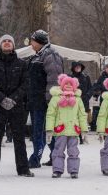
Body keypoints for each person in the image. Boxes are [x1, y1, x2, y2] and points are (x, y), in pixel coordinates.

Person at [0, 34, 34, 178]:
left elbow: (25, 84)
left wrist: (13, 99)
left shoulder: (22, 64)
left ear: (13, 45)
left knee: (19, 139)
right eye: (4, 41)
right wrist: (2, 99)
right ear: (0, 45)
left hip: (16, 106)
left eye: (9, 41)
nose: (6, 43)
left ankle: (23, 169)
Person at [27, 29, 64, 168]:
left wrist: (50, 101)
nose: (31, 43)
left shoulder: (50, 55)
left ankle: (36, 158)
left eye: (32, 40)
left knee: (41, 130)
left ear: (38, 41)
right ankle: (55, 156)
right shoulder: (37, 55)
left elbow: (55, 80)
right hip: (36, 100)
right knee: (44, 130)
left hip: (44, 101)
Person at [46, 74, 88, 178]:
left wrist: (84, 130)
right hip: (61, 130)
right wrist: (49, 129)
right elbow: (51, 114)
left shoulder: (78, 100)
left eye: (71, 84)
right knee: (58, 150)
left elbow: (82, 115)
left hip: (73, 130)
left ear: (75, 86)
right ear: (61, 85)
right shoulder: (56, 99)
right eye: (66, 84)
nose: (68, 85)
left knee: (73, 151)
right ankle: (57, 170)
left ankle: (74, 170)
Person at [70, 61, 92, 144]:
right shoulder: (70, 77)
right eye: (76, 67)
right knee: (74, 118)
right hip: (73, 101)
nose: (78, 68)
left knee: (83, 119)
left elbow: (91, 88)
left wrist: (87, 96)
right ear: (73, 68)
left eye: (79, 66)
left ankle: (83, 136)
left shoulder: (86, 77)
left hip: (84, 101)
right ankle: (75, 135)